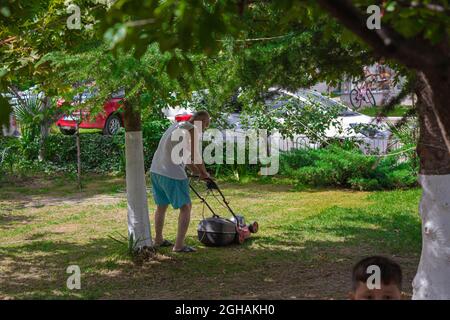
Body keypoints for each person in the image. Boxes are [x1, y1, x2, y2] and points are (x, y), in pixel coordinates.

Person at [150, 110, 211, 253]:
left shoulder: (177, 126)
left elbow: (185, 156)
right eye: (206, 125)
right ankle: (179, 246)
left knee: (161, 206)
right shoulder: (192, 129)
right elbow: (196, 155)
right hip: (171, 173)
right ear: (200, 122)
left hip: (156, 171)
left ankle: (158, 239)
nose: (205, 129)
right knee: (186, 207)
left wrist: (197, 172)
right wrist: (204, 173)